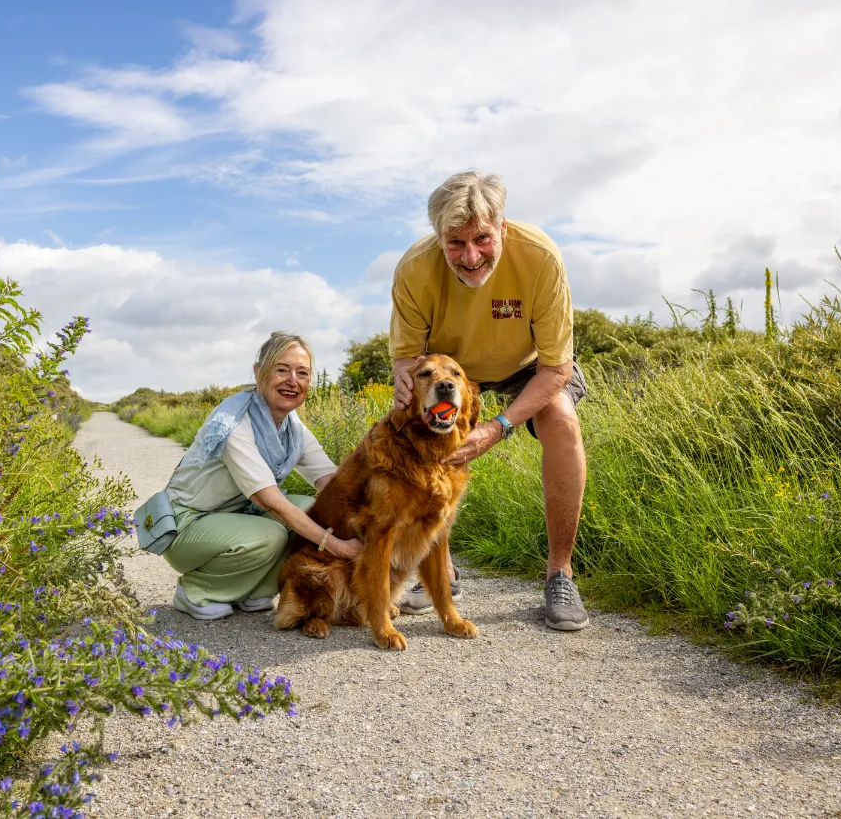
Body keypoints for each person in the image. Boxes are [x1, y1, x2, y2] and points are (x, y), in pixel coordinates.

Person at [389, 171, 590, 631]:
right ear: (438, 237)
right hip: (449, 365)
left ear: (502, 227)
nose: (471, 256)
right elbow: (407, 359)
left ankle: (560, 572)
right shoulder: (414, 268)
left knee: (561, 420)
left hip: (528, 363)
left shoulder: (540, 257)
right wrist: (407, 387)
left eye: (482, 239)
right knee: (407, 425)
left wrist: (497, 427)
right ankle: (438, 566)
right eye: (455, 243)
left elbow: (556, 369)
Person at [161, 332, 363, 620]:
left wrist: (381, 507)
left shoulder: (292, 427)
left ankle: (254, 590)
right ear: (258, 372)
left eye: (302, 373)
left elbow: (333, 483)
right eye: (281, 370)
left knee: (311, 507)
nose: (292, 380)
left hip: (236, 518)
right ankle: (197, 590)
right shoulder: (234, 422)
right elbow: (269, 500)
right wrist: (338, 547)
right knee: (273, 530)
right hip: (188, 524)